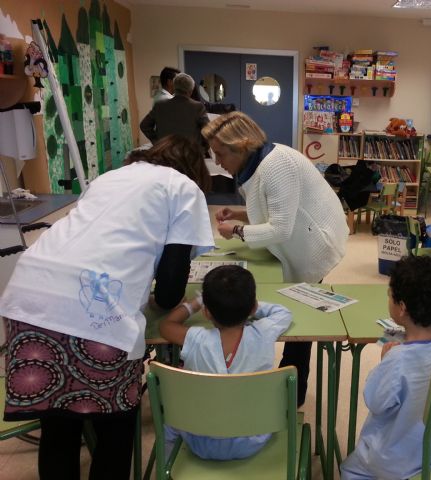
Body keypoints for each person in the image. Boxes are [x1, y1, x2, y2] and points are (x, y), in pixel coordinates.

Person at [0, 135, 214, 480]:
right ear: (194, 168)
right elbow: (171, 286)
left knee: (58, 425)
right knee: (115, 425)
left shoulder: (112, 176)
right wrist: (168, 299)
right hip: (95, 313)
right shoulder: (183, 188)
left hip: (29, 296)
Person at [201, 111, 349, 406]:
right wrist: (241, 214)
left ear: (240, 146)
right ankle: (283, 380)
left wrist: (238, 230)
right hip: (298, 239)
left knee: (301, 319)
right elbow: (274, 208)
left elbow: (281, 228)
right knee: (288, 308)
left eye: (220, 154)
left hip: (314, 246)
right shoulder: (256, 163)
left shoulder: (276, 165)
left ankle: (293, 391)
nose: (217, 162)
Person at [341, 255, 431, 480]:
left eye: (389, 295)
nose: (388, 298)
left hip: (392, 461)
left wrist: (385, 360)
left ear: (402, 308)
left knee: (349, 468)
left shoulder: (397, 358)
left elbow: (375, 402)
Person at [159, 265, 292, 459]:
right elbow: (284, 313)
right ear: (253, 308)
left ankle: (166, 465)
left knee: (171, 420)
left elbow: (165, 326)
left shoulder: (196, 338)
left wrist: (195, 303)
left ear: (207, 313)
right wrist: (247, 304)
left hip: (198, 440)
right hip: (253, 438)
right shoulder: (263, 333)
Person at [140, 73, 210, 150]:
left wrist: (157, 142)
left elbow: (144, 125)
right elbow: (208, 131)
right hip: (190, 153)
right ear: (191, 91)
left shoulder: (160, 105)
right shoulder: (198, 107)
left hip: (165, 152)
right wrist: (203, 148)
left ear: (174, 87)